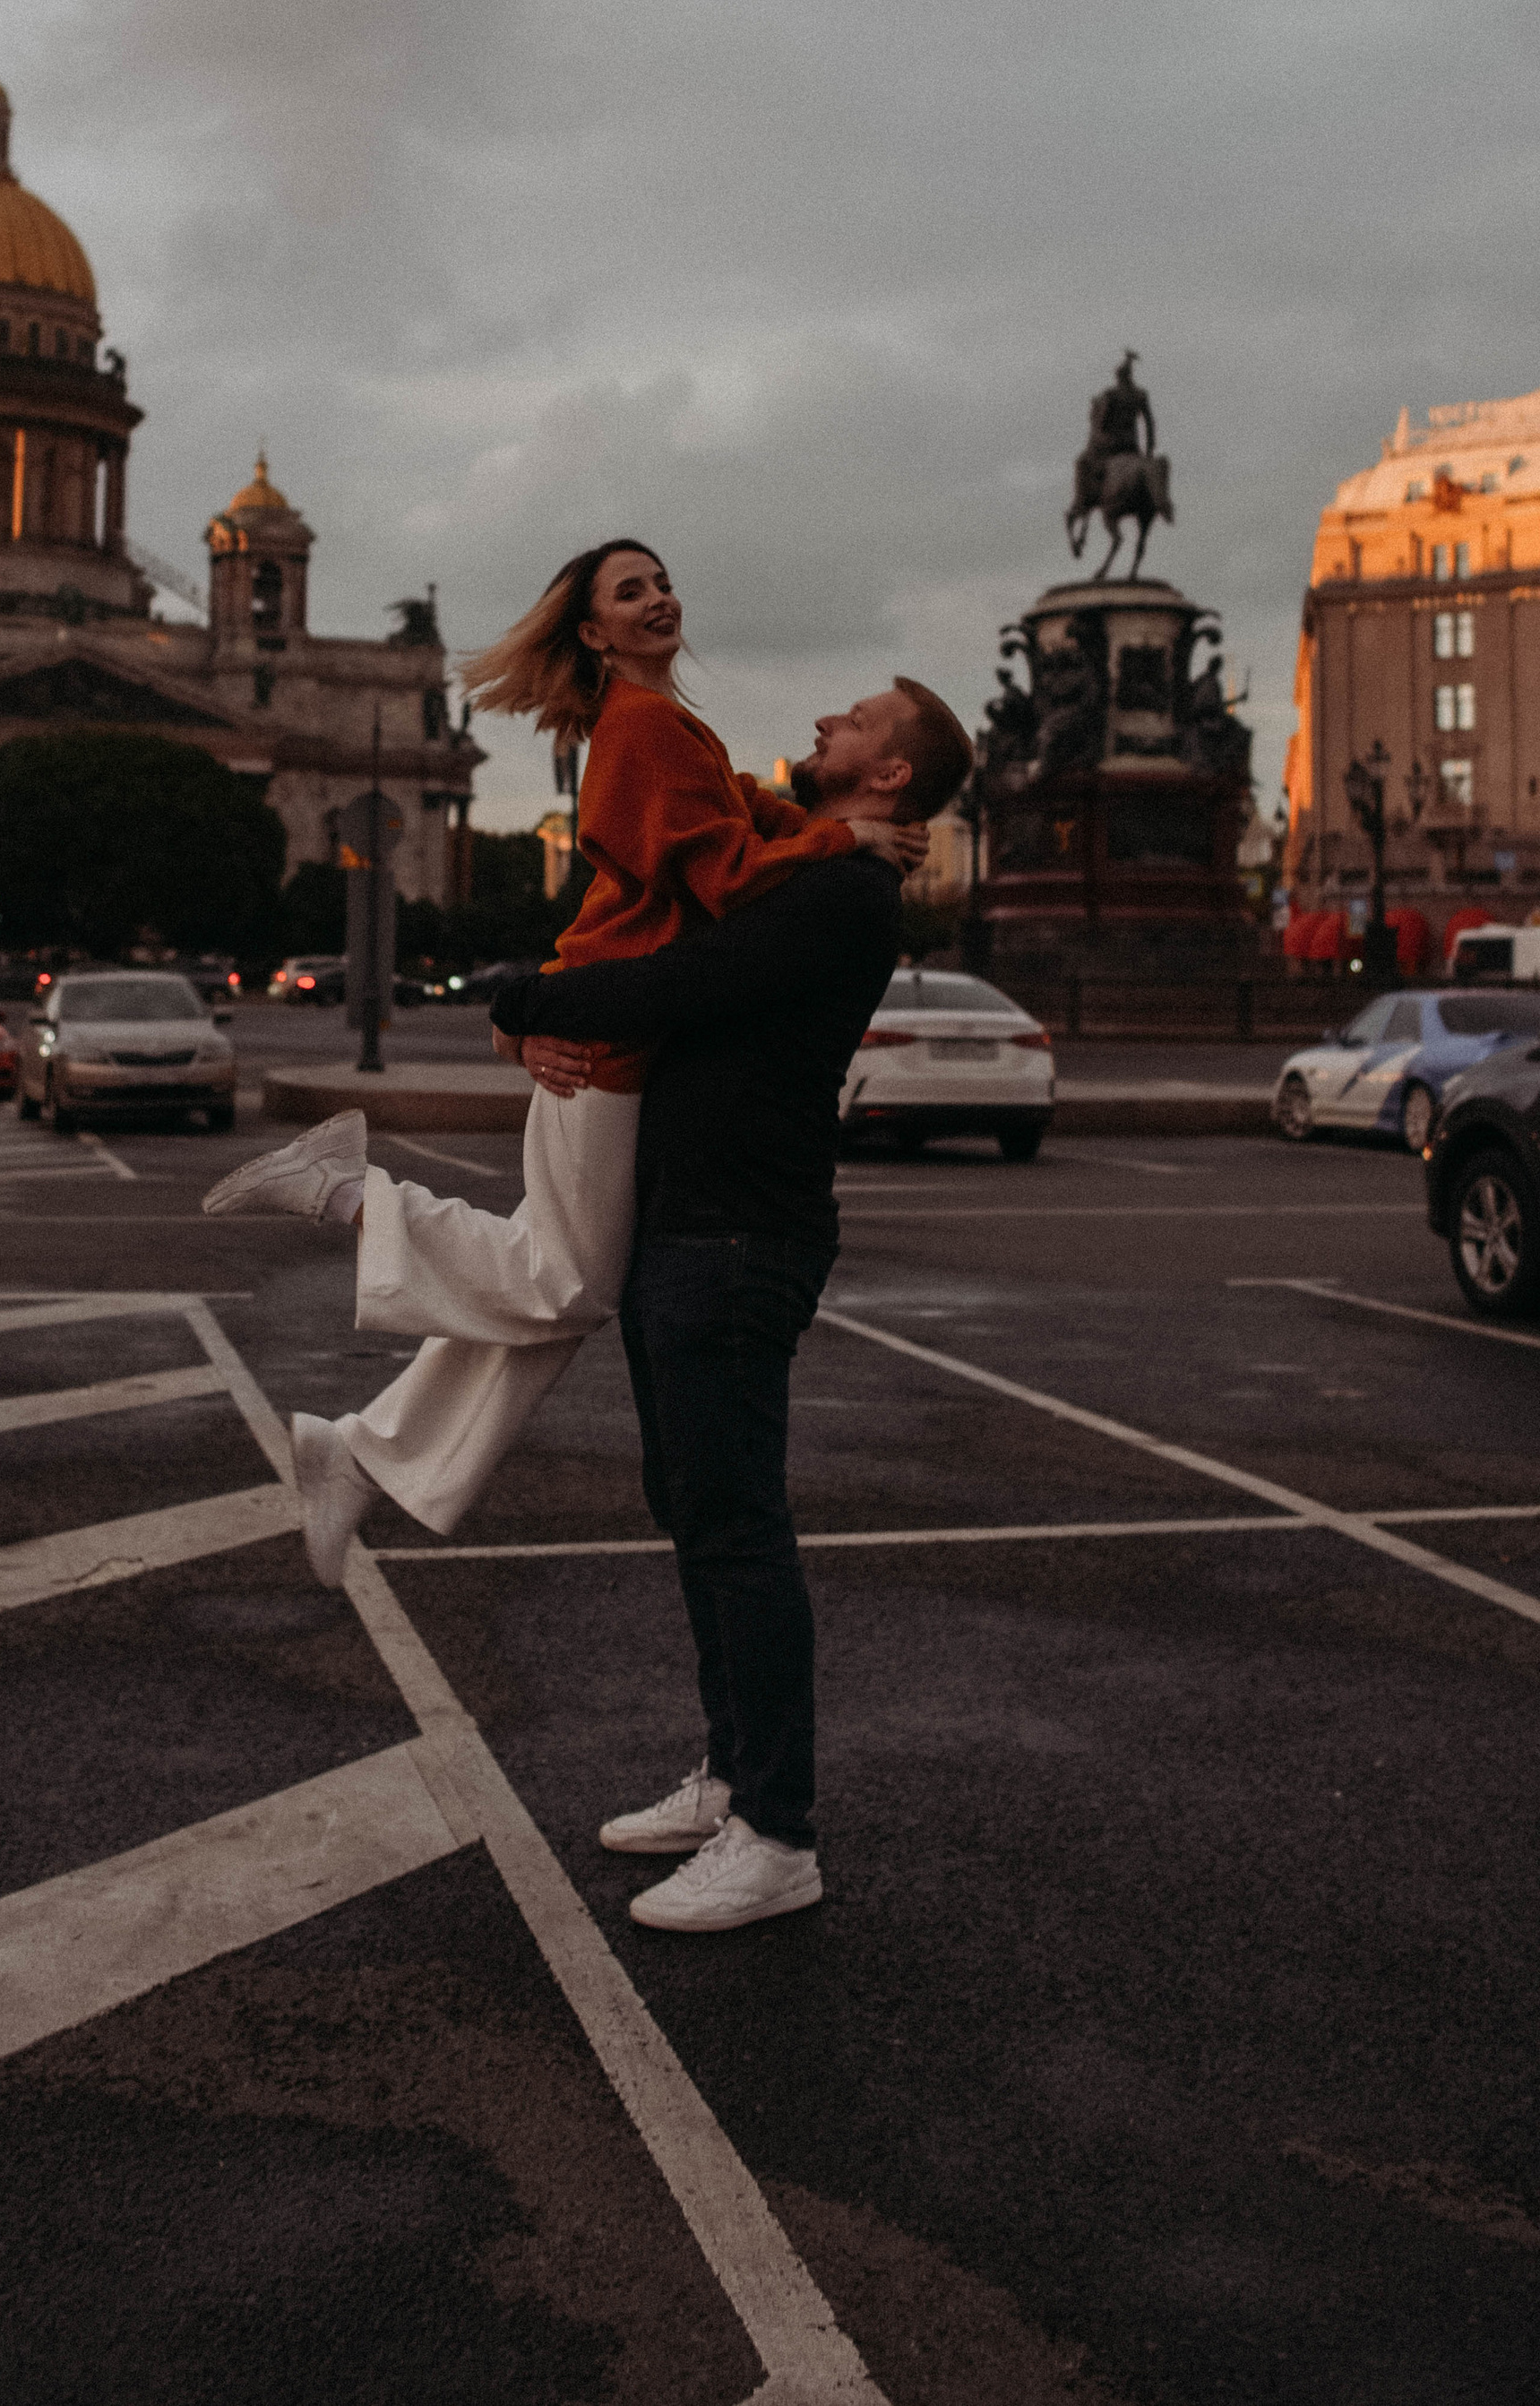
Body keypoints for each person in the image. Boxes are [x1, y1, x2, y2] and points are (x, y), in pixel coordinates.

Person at [202, 540, 925, 1579]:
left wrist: (831, 827)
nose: (658, 598)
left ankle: (357, 1456)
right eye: (629, 592)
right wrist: (845, 842)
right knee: (565, 1286)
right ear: (592, 632)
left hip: (611, 1029)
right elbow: (727, 877)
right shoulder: (639, 731)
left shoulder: (668, 729)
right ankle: (345, 1190)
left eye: (662, 581)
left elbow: (749, 819)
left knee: (549, 1284)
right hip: (606, 1039)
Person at [489, 675, 972, 1934]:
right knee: (698, 1511)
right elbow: (719, 831)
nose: (826, 724)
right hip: (694, 1227)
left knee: (738, 1524)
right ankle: (733, 1777)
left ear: (894, 773)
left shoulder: (838, 896)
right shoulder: (819, 864)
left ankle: (778, 1831)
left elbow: (671, 987)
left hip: (739, 1238)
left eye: (856, 721)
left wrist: (517, 997)